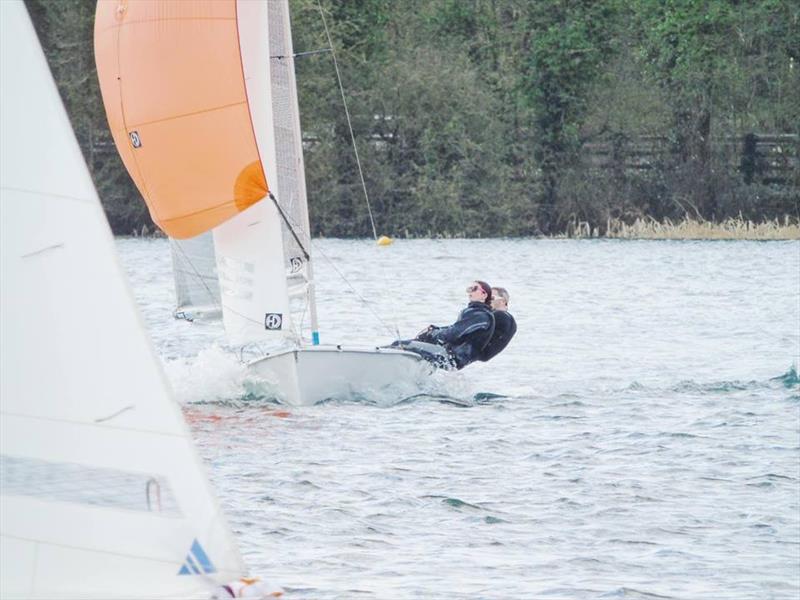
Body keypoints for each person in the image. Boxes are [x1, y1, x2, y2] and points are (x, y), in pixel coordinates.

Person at [393, 280, 496, 370]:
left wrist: (432, 333)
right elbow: (457, 330)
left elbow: (453, 334)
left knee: (398, 344)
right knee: (409, 344)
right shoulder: (477, 313)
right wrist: (436, 330)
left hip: (451, 357)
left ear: (484, 295)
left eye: (473, 288)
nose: (469, 292)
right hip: (450, 355)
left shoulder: (480, 316)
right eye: (468, 289)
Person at [480, 286, 517, 361]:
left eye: (491, 298)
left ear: (502, 301)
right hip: (480, 355)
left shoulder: (499, 315)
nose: (487, 300)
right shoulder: (511, 321)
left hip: (470, 352)